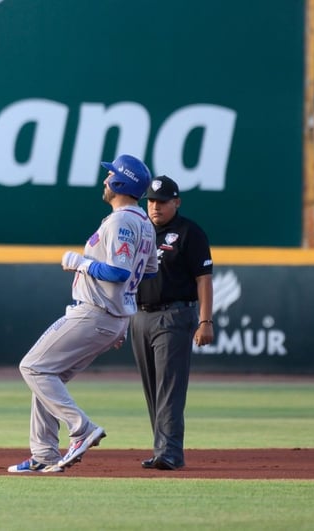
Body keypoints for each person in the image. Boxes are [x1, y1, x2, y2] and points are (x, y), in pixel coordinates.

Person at [8, 154, 158, 473]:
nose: (105, 180)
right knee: (50, 376)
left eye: (110, 176)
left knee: (32, 368)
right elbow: (147, 273)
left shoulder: (121, 221)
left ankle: (82, 428)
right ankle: (45, 454)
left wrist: (80, 263)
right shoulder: (144, 223)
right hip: (110, 316)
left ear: (120, 183)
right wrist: (120, 311)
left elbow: (118, 272)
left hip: (96, 313)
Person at [129, 175, 213, 471]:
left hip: (174, 314)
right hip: (139, 314)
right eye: (151, 201)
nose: (155, 206)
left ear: (176, 202)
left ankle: (171, 452)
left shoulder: (189, 232)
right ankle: (161, 449)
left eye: (162, 201)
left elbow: (203, 278)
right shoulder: (139, 231)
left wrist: (205, 320)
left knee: (170, 386)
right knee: (153, 387)